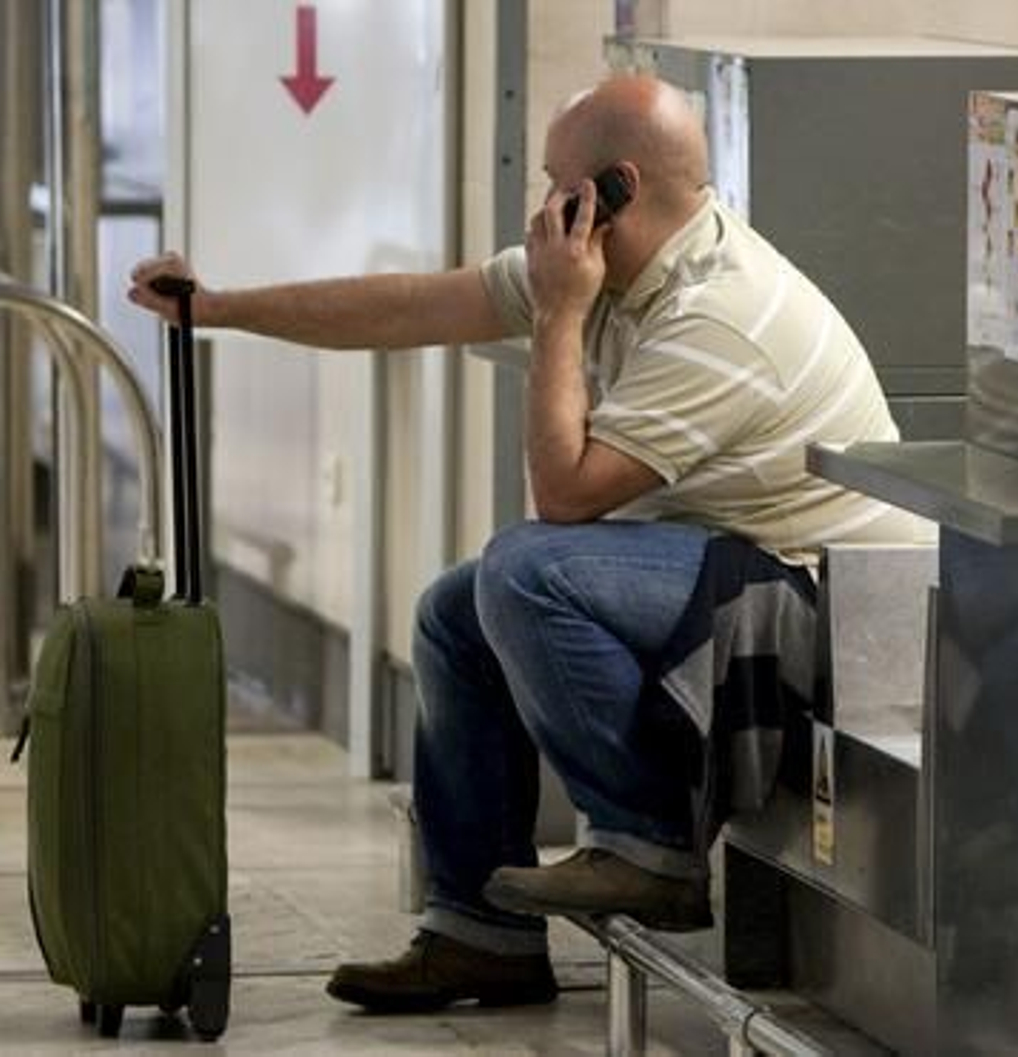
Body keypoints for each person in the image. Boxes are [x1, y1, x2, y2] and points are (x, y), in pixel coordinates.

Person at [128, 74, 926, 1013]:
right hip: (735, 580)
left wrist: (557, 314)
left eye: (556, 183)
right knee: (452, 613)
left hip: (823, 615)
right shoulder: (628, 273)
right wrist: (217, 308)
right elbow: (414, 307)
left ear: (614, 190)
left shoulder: (724, 316)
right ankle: (479, 933)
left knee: (524, 570)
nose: (542, 207)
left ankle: (649, 845)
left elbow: (564, 496)